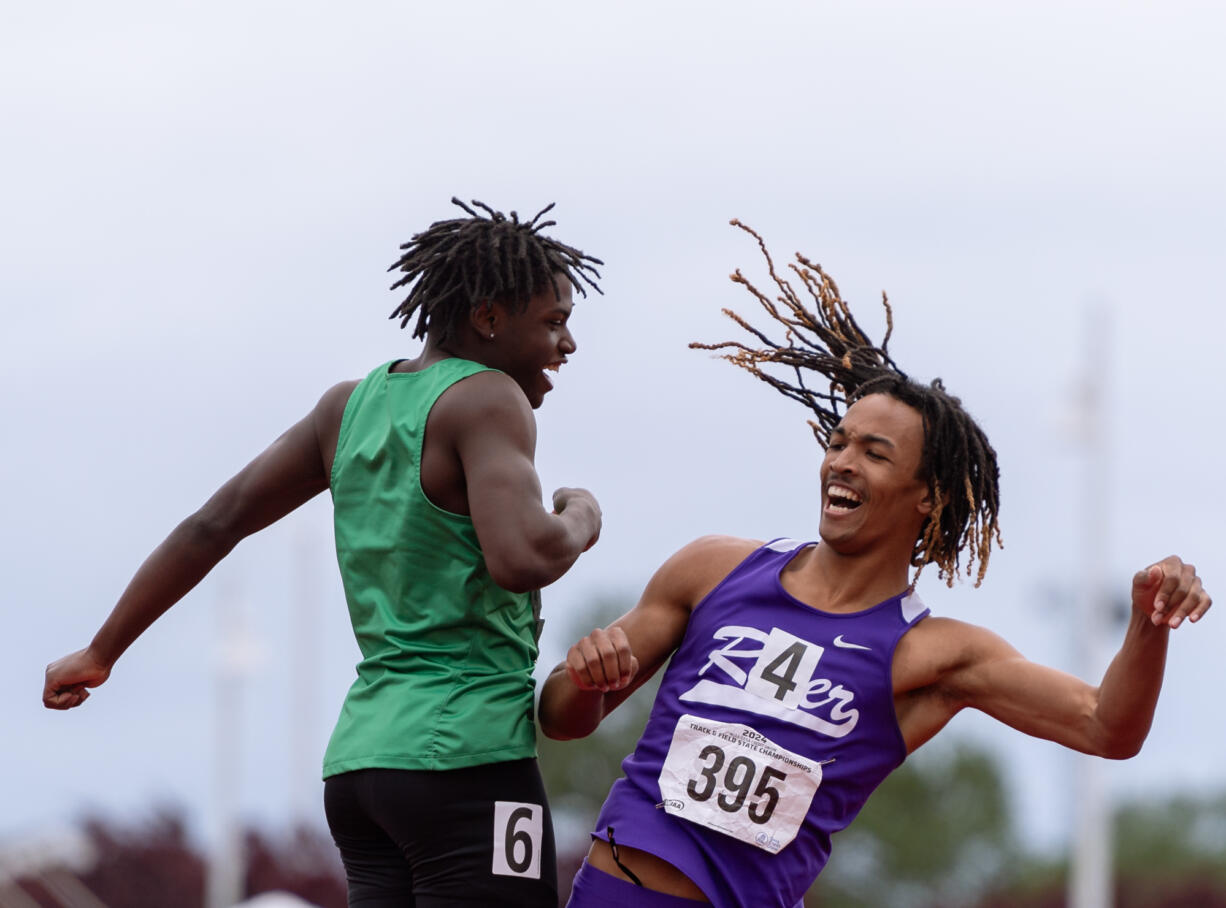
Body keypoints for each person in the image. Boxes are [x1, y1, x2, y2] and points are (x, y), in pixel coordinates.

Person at [537, 220, 1213, 908]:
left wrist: (1148, 623)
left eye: (875, 453)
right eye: (839, 441)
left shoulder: (933, 653)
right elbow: (561, 715)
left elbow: (1108, 727)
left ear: (928, 498)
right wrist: (588, 677)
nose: (842, 461)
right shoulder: (711, 570)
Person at [43, 198, 606, 907]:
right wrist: (581, 513)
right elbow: (523, 557)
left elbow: (212, 525)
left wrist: (102, 651)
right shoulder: (488, 399)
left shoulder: (349, 406)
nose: (568, 345)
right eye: (553, 322)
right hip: (466, 759)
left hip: (362, 772)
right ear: (489, 318)